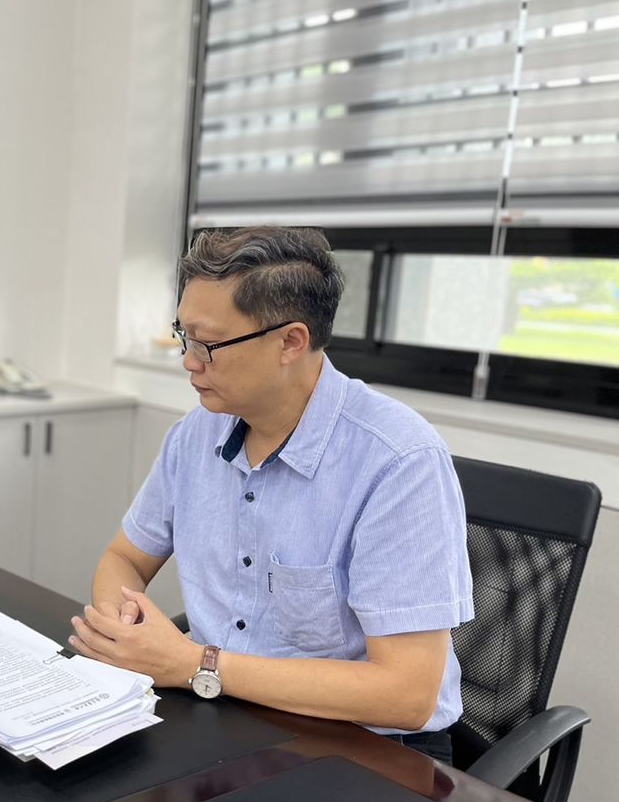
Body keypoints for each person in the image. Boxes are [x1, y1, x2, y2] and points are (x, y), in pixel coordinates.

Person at [69, 227, 473, 762]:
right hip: (224, 718)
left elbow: (407, 695)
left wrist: (194, 664)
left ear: (290, 342)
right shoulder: (196, 434)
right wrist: (125, 634)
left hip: (366, 752)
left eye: (209, 344)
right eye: (184, 335)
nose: (190, 360)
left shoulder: (399, 461)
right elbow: (124, 558)